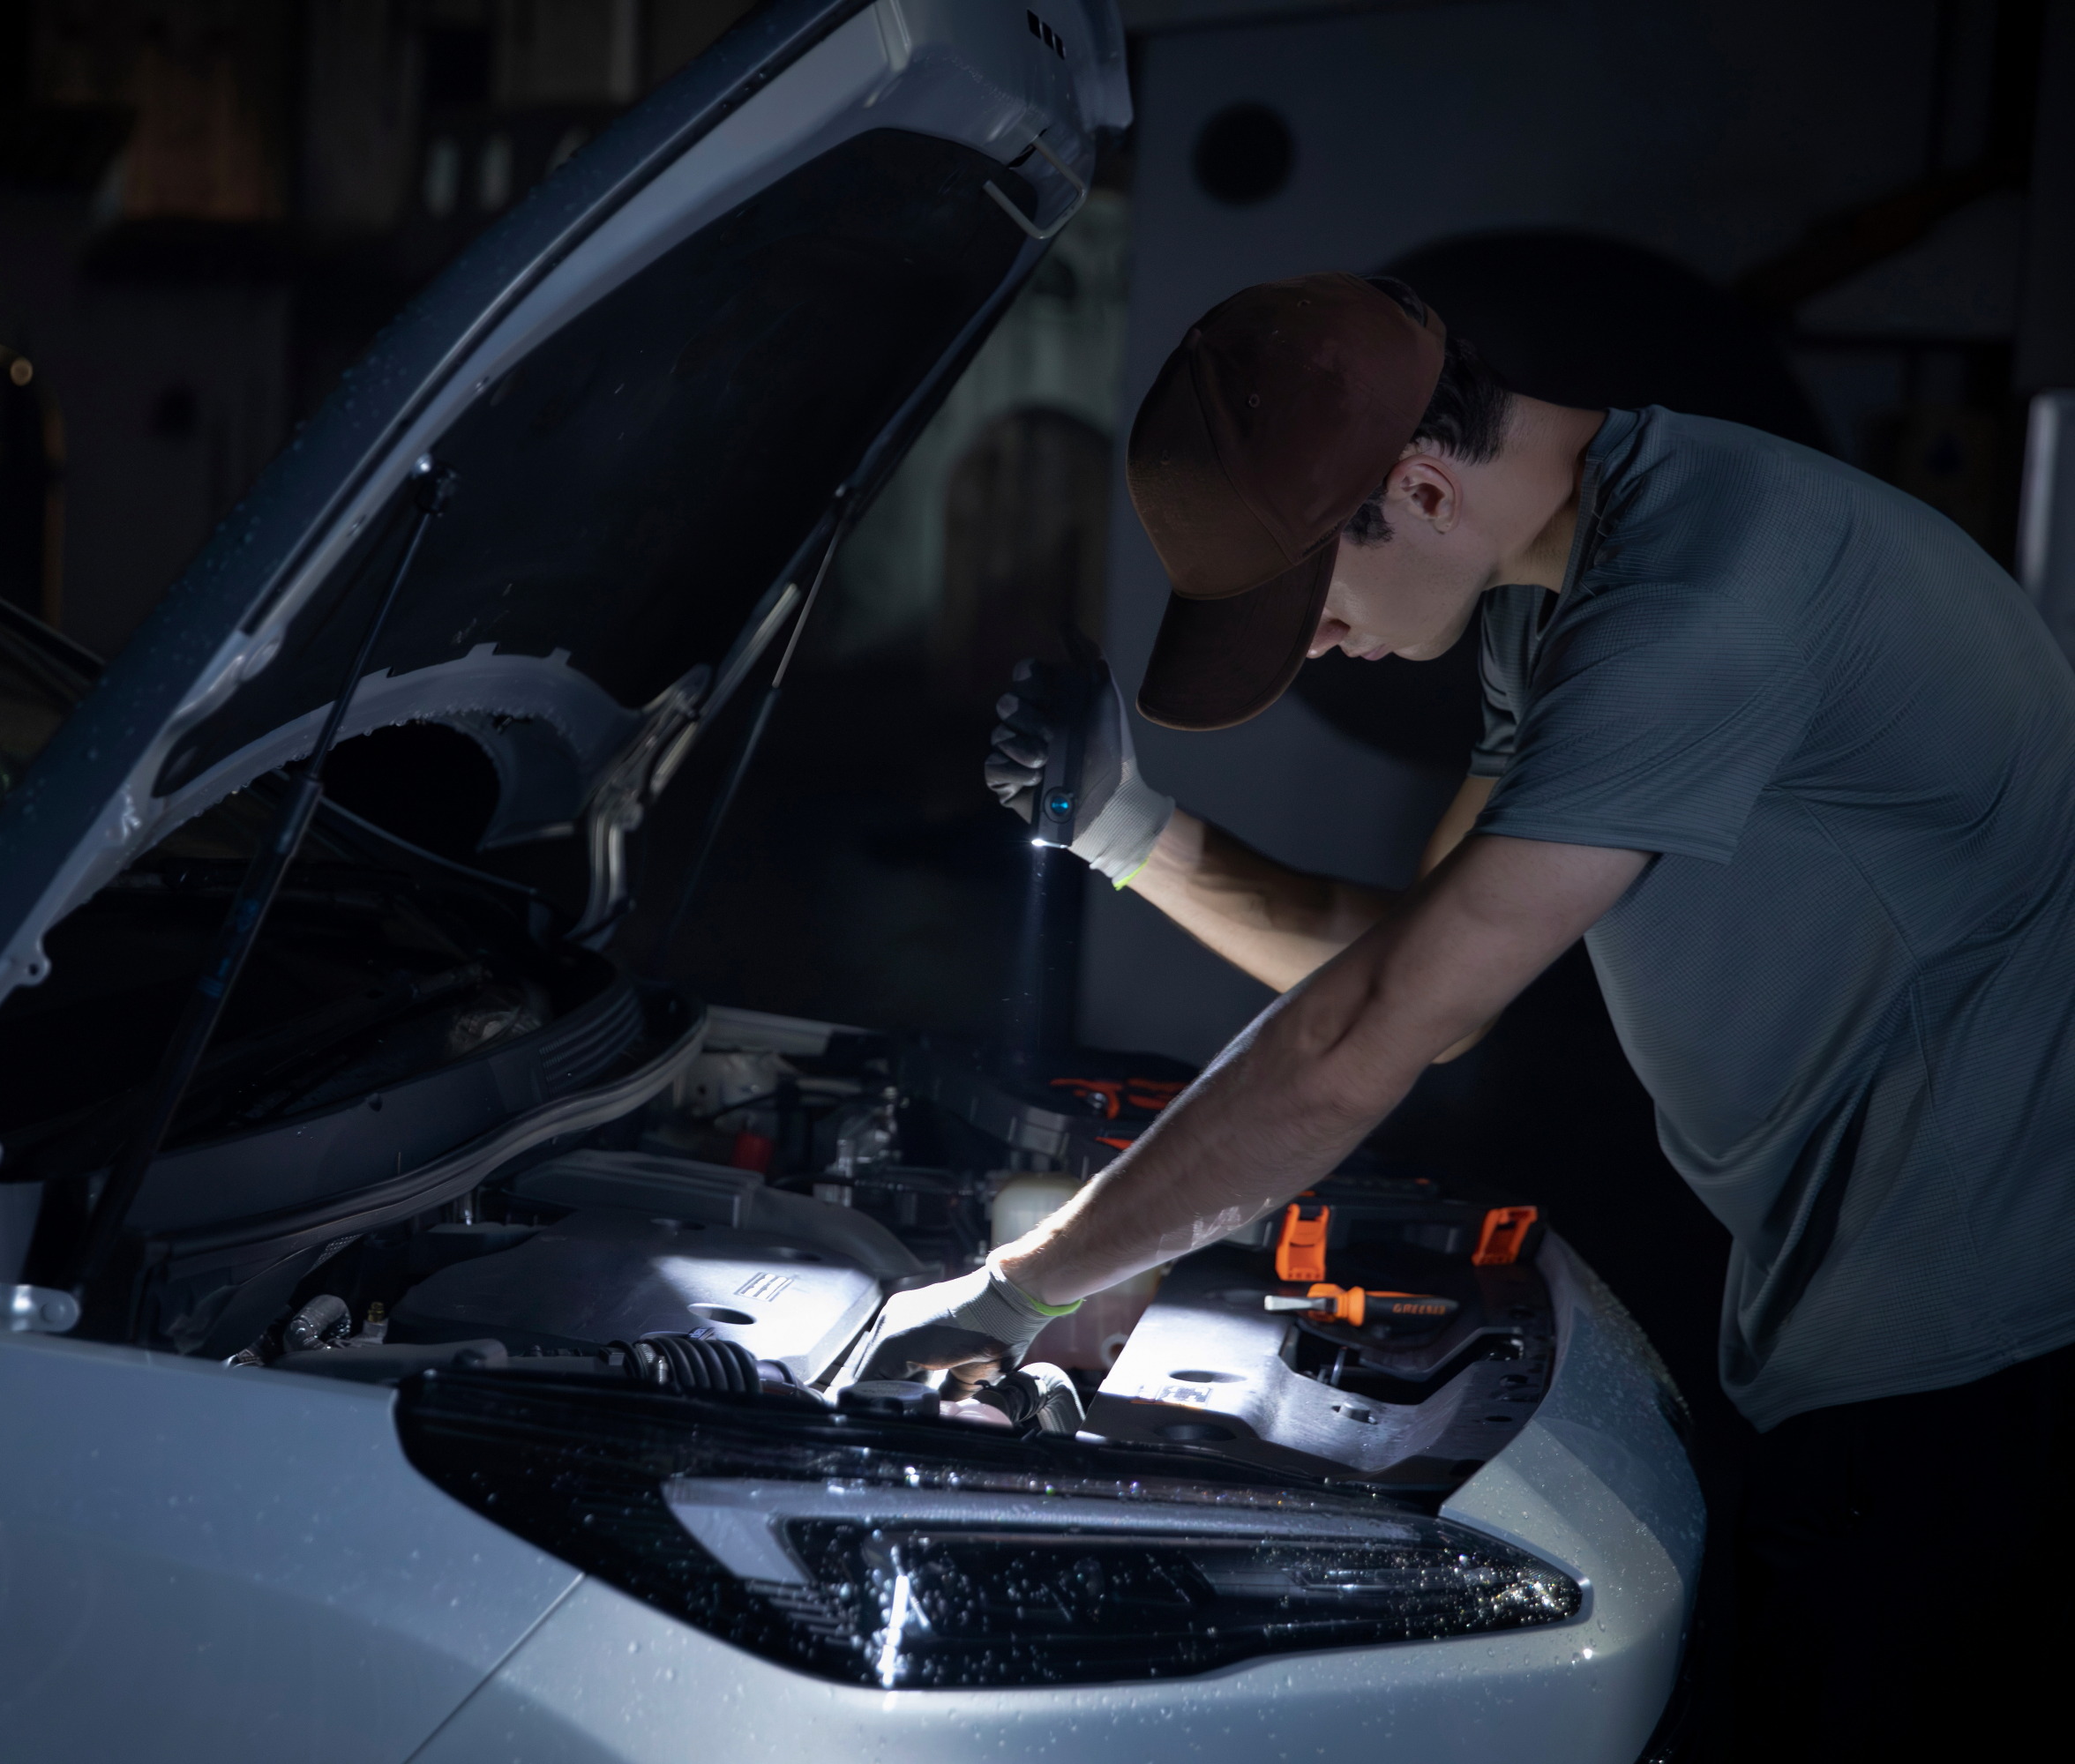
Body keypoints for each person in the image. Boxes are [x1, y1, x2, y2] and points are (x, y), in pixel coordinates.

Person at [855, 271, 2075, 1753]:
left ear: (1422, 489)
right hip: (1879, 1325)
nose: (1312, 646)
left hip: (1995, 1366)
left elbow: (1390, 1024)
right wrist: (1128, 835)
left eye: (1313, 603)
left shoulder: (1702, 598)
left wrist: (1034, 1277)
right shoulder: (1556, 594)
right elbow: (1419, 973)